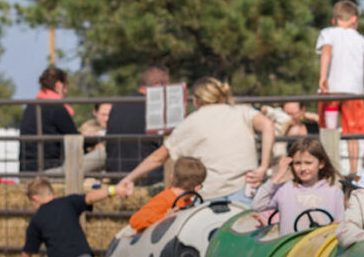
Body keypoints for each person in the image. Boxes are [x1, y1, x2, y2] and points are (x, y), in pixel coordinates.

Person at [115, 77, 275, 204]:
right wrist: (263, 166)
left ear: (197, 99)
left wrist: (129, 178)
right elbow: (268, 125)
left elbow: (158, 157)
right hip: (245, 191)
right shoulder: (241, 112)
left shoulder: (190, 122)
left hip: (210, 196)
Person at [317, 0, 364, 176]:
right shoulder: (360, 39)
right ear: (354, 20)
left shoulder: (328, 33)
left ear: (334, 20)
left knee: (329, 130)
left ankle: (330, 170)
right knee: (353, 133)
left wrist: (323, 76)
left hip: (330, 93)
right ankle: (353, 172)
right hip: (353, 93)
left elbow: (326, 52)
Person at [250, 136, 344, 232]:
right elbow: (257, 205)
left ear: (321, 164)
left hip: (321, 245)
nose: (303, 168)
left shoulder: (333, 191)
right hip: (290, 245)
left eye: (308, 163)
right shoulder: (284, 189)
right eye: (298, 163)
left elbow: (340, 222)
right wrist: (277, 176)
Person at [103, 65, 169, 184]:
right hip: (147, 176)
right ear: (159, 84)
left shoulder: (118, 104)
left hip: (116, 174)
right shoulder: (155, 107)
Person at [127, 156, 207, 234]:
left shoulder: (188, 203)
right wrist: (165, 218)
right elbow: (135, 221)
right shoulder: (164, 199)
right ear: (197, 187)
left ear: (172, 177)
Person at [19, 67, 77, 174]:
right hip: (50, 169)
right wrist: (93, 138)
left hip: (25, 169)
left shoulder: (30, 107)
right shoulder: (56, 107)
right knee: (101, 155)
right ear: (59, 85)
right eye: (66, 87)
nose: (66, 92)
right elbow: (75, 139)